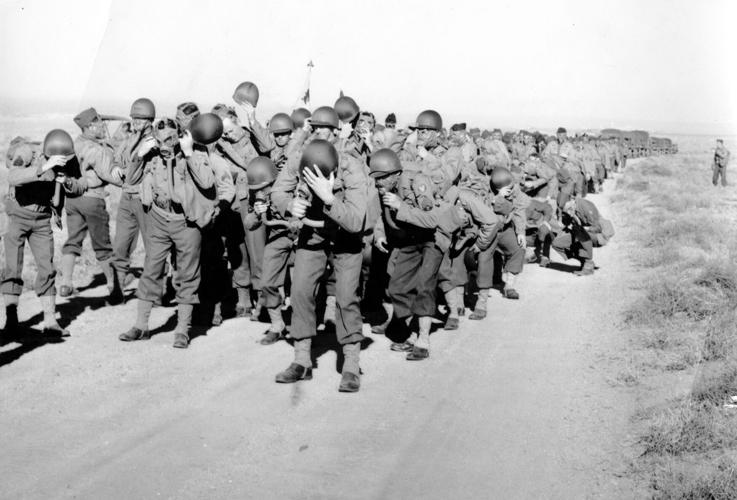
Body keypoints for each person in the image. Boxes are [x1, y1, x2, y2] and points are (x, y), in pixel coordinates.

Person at [270, 139, 368, 392]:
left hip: (346, 237)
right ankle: (302, 361)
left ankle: (350, 365)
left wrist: (327, 197)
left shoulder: (353, 168)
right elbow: (278, 191)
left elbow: (356, 221)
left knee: (346, 297)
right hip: (312, 234)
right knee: (300, 291)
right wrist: (289, 205)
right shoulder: (298, 159)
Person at [118, 116, 217, 348]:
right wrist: (139, 155)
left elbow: (206, 182)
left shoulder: (195, 152)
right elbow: (130, 181)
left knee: (187, 274)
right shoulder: (151, 154)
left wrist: (189, 152)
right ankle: (141, 326)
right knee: (151, 269)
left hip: (186, 221)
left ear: (178, 136)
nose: (165, 144)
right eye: (161, 139)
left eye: (170, 138)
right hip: (159, 218)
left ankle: (182, 329)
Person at [2, 131, 85, 338]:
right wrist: (44, 168)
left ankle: (50, 321)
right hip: (18, 215)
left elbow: (79, 186)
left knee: (47, 269)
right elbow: (14, 176)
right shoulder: (27, 153)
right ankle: (11, 321)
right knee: (13, 267)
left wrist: (66, 182)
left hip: (42, 219)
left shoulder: (67, 159)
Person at [60, 107, 124, 300]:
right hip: (93, 198)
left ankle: (65, 284)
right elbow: (107, 174)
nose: (102, 126)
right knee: (102, 245)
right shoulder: (96, 149)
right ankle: (114, 288)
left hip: (72, 200)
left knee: (73, 240)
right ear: (89, 126)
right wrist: (127, 182)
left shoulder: (74, 144)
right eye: (98, 123)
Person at [110, 98, 157, 299]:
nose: (136, 121)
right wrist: (114, 167)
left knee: (153, 247)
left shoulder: (153, 141)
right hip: (127, 197)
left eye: (141, 118)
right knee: (120, 244)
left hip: (145, 198)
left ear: (150, 120)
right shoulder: (131, 138)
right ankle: (118, 289)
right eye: (134, 117)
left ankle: (154, 292)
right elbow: (117, 157)